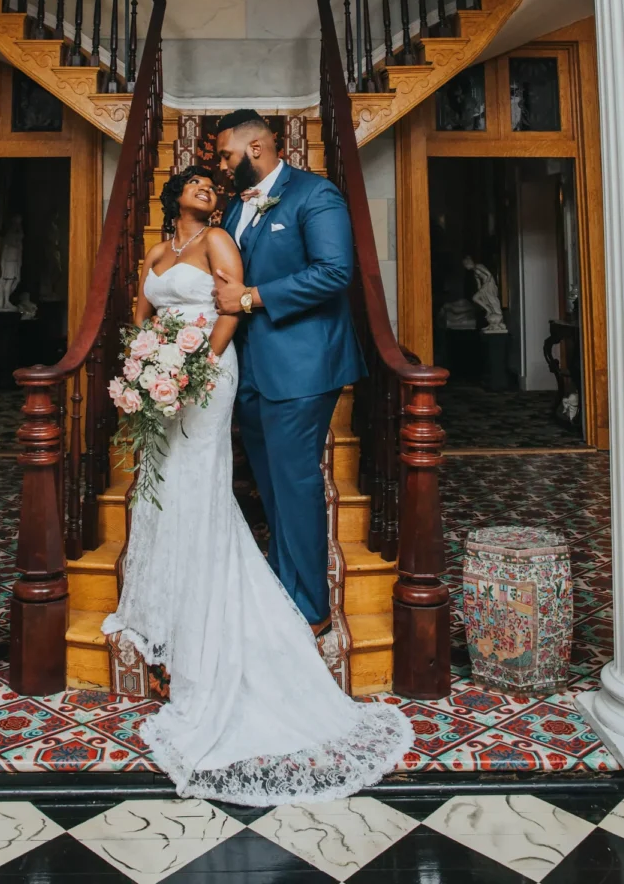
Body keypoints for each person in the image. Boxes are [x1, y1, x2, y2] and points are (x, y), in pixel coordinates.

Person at [103, 164, 411, 805]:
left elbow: (231, 307)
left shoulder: (219, 241)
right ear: (172, 194)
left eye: (214, 186)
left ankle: (225, 600)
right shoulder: (157, 250)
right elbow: (139, 316)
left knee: (200, 480)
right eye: (196, 183)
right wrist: (140, 368)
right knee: (162, 480)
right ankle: (160, 599)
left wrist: (194, 368)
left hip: (205, 373)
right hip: (162, 374)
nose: (207, 191)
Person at [213, 109, 364, 639]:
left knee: (296, 483)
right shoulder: (236, 208)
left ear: (256, 149)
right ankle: (283, 586)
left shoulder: (314, 195)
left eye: (227, 156)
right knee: (272, 485)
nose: (222, 166)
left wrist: (252, 297)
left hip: (303, 367)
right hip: (250, 370)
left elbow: (334, 271)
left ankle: (310, 608)